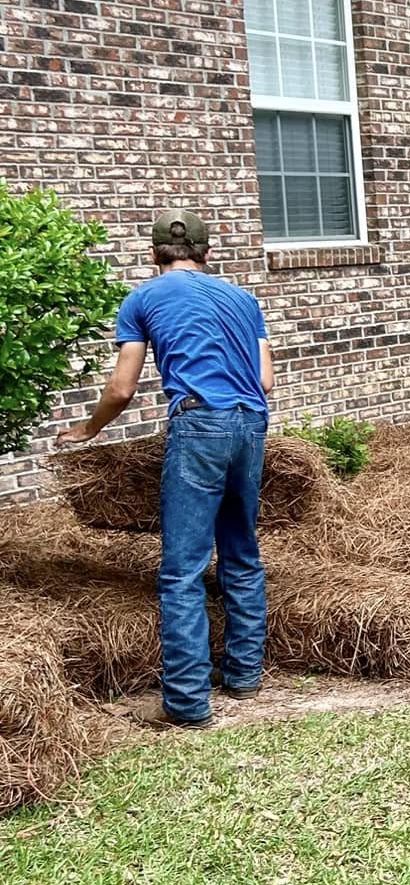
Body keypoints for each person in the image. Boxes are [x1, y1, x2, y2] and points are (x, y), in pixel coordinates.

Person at [58, 209, 274, 727]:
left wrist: (88, 430)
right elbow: (265, 381)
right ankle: (244, 674)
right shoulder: (244, 300)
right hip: (251, 426)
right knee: (240, 551)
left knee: (182, 570)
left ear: (154, 253)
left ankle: (185, 702)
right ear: (207, 252)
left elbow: (122, 388)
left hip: (200, 425)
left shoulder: (143, 299)